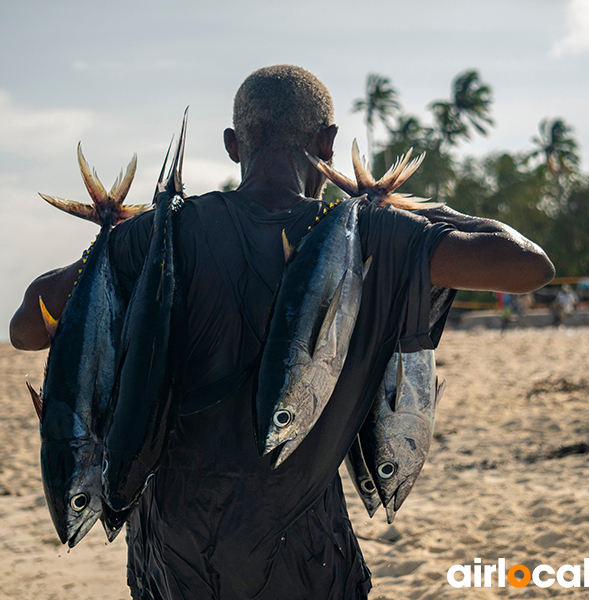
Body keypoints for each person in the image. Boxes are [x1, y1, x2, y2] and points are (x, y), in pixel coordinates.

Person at [10, 65, 555, 600]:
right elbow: (528, 267)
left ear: (231, 144)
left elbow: (26, 329)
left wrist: (109, 248)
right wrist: (418, 212)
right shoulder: (375, 235)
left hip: (170, 564)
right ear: (329, 141)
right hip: (306, 560)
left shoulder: (161, 233)